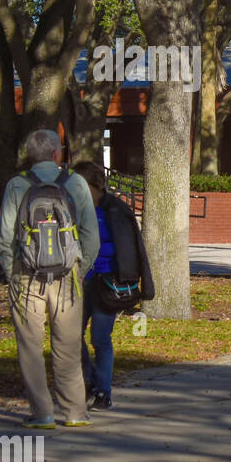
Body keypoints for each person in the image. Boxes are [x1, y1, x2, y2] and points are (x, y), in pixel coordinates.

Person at [0, 130, 99, 428]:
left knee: (30, 347)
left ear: (30, 155)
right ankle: (75, 412)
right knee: (68, 345)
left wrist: (12, 273)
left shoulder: (17, 185)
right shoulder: (76, 183)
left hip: (26, 277)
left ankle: (42, 414)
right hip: (68, 278)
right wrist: (80, 268)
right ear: (57, 153)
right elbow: (91, 236)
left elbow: (5, 238)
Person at [72, 161, 154, 411]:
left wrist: (136, 281)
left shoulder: (115, 209)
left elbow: (133, 248)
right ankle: (89, 381)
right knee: (73, 336)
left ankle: (103, 392)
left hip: (109, 283)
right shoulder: (73, 209)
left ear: (94, 184)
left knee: (100, 338)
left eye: (80, 185)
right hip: (81, 281)